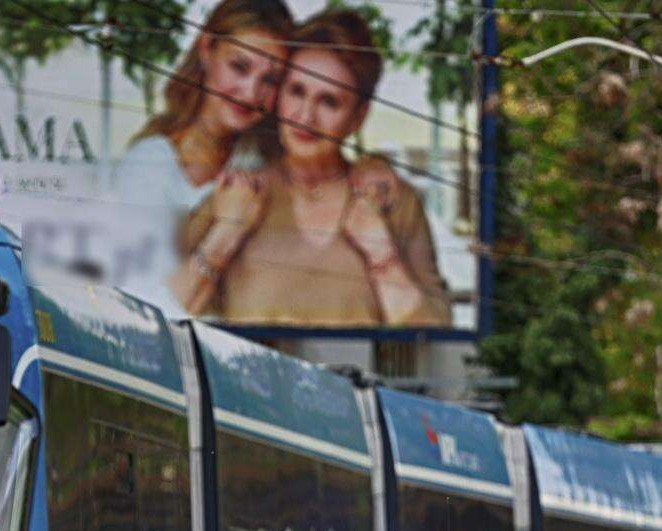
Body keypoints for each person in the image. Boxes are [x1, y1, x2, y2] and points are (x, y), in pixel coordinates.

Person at [180, 8, 450, 328]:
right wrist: (225, 235)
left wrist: (384, 258)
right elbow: (166, 316)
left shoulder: (391, 200)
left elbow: (435, 339)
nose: (305, 117)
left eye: (329, 102)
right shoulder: (238, 193)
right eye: (296, 91)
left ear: (358, 116)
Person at [110, 0, 295, 311]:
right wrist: (228, 230)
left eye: (270, 80)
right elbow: (151, 312)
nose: (251, 93)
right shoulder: (150, 165)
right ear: (207, 49)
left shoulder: (261, 160)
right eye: (240, 66)